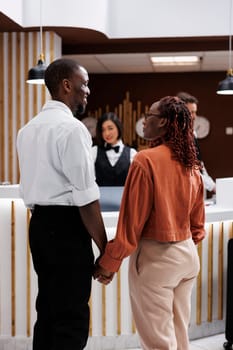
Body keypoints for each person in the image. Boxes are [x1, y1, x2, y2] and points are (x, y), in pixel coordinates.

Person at [94, 96, 206, 350]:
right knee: (179, 337)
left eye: (150, 116)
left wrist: (109, 263)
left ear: (164, 123)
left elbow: (131, 224)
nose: (144, 121)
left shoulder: (145, 160)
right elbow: (198, 226)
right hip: (187, 256)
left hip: (157, 260)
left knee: (158, 343)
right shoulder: (192, 164)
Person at [17, 58, 108, 350]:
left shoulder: (27, 129)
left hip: (40, 227)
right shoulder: (72, 129)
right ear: (66, 85)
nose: (88, 92)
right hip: (68, 229)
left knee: (49, 311)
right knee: (71, 317)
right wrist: (106, 249)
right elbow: (86, 197)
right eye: (84, 85)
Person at [177, 91, 216, 195]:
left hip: (196, 188)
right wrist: (212, 186)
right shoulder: (176, 138)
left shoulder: (193, 134)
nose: (194, 116)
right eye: (191, 112)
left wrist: (213, 186)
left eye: (195, 112)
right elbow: (189, 169)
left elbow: (199, 165)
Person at [92, 112, 137, 186]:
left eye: (110, 128)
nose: (107, 133)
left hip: (124, 197)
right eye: (103, 130)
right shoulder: (94, 151)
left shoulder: (132, 153)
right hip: (100, 197)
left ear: (118, 128)